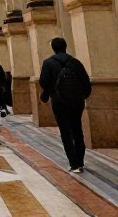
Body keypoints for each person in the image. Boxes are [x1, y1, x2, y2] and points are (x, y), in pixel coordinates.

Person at [39, 37, 92, 173]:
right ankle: (80, 161)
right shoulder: (76, 63)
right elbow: (86, 83)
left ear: (53, 48)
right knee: (77, 129)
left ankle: (73, 164)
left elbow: (43, 82)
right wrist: (81, 96)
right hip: (76, 101)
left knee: (65, 132)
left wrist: (52, 93)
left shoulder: (48, 63)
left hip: (59, 102)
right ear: (66, 46)